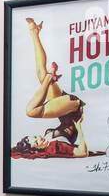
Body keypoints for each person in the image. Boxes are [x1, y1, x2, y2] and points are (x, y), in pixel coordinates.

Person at [11, 17, 90, 159]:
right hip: (74, 109)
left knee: (41, 74)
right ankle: (50, 77)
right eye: (36, 141)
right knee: (30, 111)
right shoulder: (54, 147)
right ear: (35, 150)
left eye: (35, 137)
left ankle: (34, 33)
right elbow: (83, 153)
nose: (39, 138)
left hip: (65, 108)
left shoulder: (47, 142)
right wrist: (78, 126)